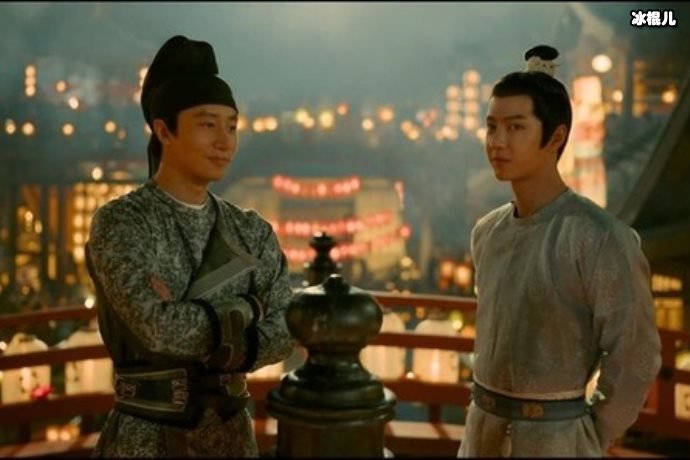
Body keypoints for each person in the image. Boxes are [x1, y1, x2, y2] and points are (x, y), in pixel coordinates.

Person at [85, 35, 296, 457]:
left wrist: (198, 321)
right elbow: (157, 330)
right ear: (164, 130)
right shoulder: (123, 222)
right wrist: (248, 310)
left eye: (231, 126)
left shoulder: (251, 230)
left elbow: (287, 329)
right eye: (207, 124)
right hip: (146, 438)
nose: (224, 141)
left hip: (233, 438)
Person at [458, 45, 661, 457]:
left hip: (558, 440)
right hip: (481, 434)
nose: (498, 142)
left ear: (556, 137)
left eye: (516, 127)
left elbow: (635, 352)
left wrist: (593, 433)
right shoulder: (488, 232)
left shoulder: (600, 237)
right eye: (492, 127)